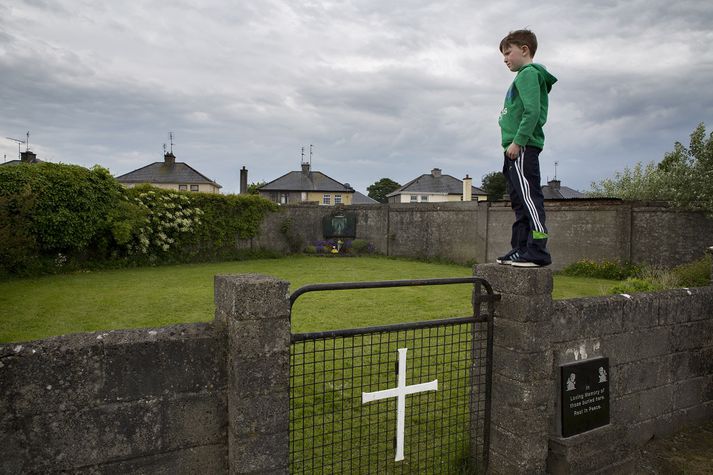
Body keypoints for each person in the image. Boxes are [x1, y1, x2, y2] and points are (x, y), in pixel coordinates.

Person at [495, 29, 557, 267]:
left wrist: (518, 141)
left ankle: (538, 251)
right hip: (513, 149)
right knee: (519, 201)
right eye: (503, 55)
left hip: (522, 148)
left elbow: (533, 112)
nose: (505, 59)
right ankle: (520, 248)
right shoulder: (522, 76)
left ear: (524, 50)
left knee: (530, 199)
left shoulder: (528, 74)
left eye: (508, 52)